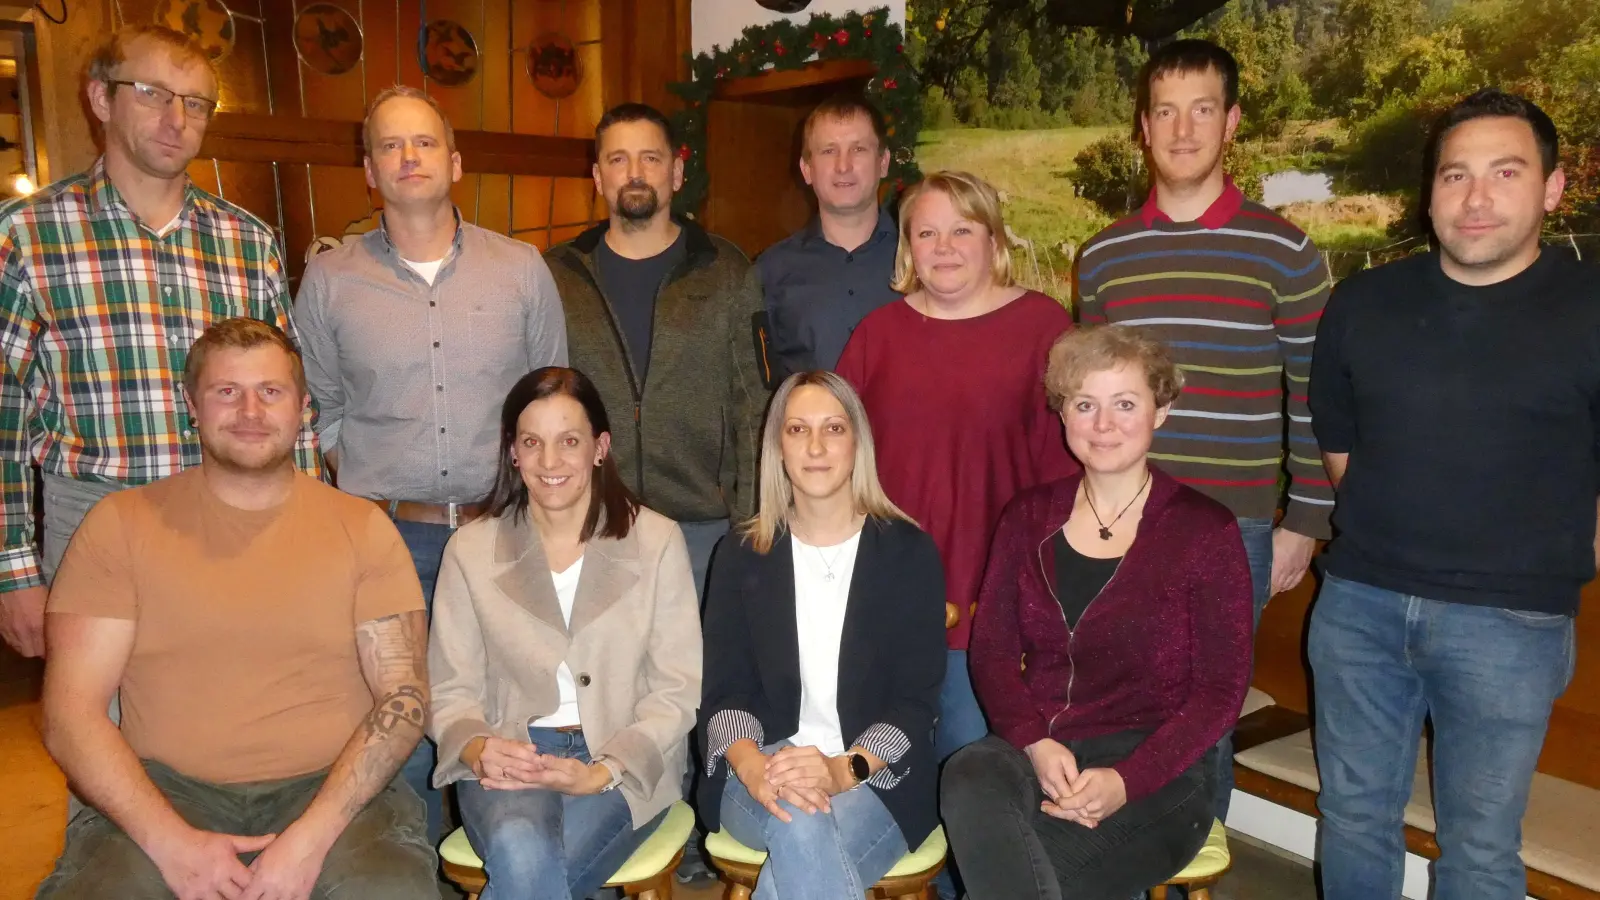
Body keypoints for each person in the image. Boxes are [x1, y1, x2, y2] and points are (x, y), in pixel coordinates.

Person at [34, 318, 435, 899]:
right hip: (165, 792)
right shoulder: (119, 526)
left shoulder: (364, 529)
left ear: (303, 407)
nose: (250, 411)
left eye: (270, 392)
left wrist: (308, 840)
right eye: (227, 391)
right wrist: (172, 843)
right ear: (191, 405)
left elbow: (404, 696)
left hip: (332, 791)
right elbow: (69, 713)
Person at [1307, 89, 1591, 900]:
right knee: (1354, 816)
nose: (1475, 197)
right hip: (1359, 606)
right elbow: (1339, 445)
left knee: (1479, 850)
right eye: (1454, 174)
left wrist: (1538, 572)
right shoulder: (1364, 302)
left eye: (1505, 172)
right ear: (1430, 189)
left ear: (1552, 188)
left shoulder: (1592, 310)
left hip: (1511, 625)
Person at [296, 84, 569, 841]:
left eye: (423, 143)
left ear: (454, 160)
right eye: (390, 145)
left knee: (510, 711)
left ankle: (511, 858)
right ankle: (406, 875)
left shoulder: (521, 270)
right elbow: (317, 404)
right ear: (369, 170)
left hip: (503, 535)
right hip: (386, 540)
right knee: (396, 725)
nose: (408, 157)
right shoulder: (330, 278)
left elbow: (554, 401)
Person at [1073, 38, 1334, 822]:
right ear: (1142, 129)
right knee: (1109, 705)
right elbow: (1089, 405)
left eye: (1202, 110)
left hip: (1235, 528)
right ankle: (1115, 861)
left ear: (1232, 123)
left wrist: (1307, 524)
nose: (1183, 130)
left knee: (1201, 717)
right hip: (1119, 521)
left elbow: (1316, 396)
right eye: (1165, 111)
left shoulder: (1285, 251)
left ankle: (1190, 864)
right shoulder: (1104, 257)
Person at [0, 25, 319, 662]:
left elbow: (290, 403)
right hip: (95, 521)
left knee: (233, 723)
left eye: (196, 103)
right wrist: (14, 570)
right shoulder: (28, 236)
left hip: (236, 518)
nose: (177, 119)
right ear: (100, 99)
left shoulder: (246, 240)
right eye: (152, 93)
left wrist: (305, 531)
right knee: (102, 731)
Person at [942, 324, 1253, 899]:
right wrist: (1033, 742)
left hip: (1159, 770)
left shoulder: (1205, 531)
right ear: (1064, 415)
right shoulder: (1028, 516)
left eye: (1125, 404)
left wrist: (1125, 781)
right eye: (1085, 405)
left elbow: (1221, 690)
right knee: (967, 772)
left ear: (1162, 411)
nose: (1103, 424)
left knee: (1033, 876)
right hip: (1040, 749)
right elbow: (990, 651)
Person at [428, 366, 702, 900]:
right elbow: (449, 689)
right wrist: (481, 746)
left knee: (530, 872)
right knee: (521, 847)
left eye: (569, 441)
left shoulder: (658, 541)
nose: (550, 462)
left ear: (600, 447)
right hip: (512, 754)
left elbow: (676, 689)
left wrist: (605, 770)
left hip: (623, 764)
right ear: (513, 452)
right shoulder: (469, 550)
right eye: (533, 443)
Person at [836, 169, 1078, 764]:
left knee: (971, 761)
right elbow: (836, 458)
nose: (943, 248)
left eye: (962, 230)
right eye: (926, 233)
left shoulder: (1044, 329)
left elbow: (1069, 470)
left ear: (994, 240)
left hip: (996, 587)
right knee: (887, 763)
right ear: (907, 247)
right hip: (889, 586)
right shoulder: (877, 334)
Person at [698, 371, 946, 899]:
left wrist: (842, 769)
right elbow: (724, 691)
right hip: (761, 764)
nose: (815, 447)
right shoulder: (742, 554)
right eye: (797, 430)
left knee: (802, 841)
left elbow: (915, 702)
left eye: (833, 428)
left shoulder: (908, 553)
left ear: (858, 443)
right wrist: (755, 768)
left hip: (876, 775)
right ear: (777, 447)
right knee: (802, 821)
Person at [547, 102, 769, 597]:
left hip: (702, 533)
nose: (635, 173)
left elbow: (754, 404)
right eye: (618, 159)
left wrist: (752, 520)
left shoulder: (725, 270)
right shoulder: (559, 276)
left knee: (697, 675)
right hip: (589, 524)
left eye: (650, 158)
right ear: (598, 176)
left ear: (677, 171)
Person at [759, 94, 901, 376]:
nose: (843, 165)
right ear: (806, 169)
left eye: (858, 149)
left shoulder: (923, 259)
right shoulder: (769, 271)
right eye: (828, 151)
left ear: (883, 162)